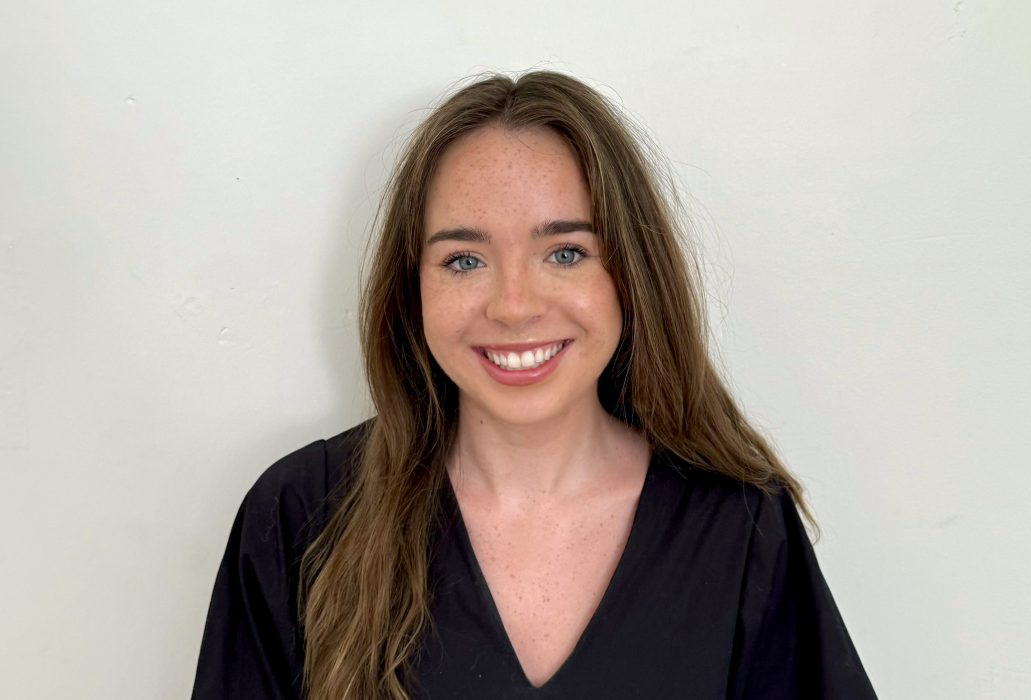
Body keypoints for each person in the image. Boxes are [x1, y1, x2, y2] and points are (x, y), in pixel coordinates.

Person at [192, 71, 877, 699]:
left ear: (630, 277)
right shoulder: (301, 519)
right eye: (464, 260)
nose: (514, 306)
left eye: (566, 252)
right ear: (412, 291)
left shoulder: (740, 527)